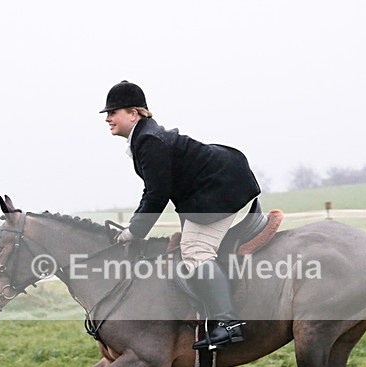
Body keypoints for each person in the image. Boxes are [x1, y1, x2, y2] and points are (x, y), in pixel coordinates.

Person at [100, 80, 261, 349]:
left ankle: (229, 325)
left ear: (134, 113)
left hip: (221, 188)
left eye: (113, 112)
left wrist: (134, 231)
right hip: (209, 189)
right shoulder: (143, 139)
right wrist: (134, 226)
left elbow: (157, 194)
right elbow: (155, 190)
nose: (108, 119)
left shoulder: (149, 141)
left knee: (196, 250)